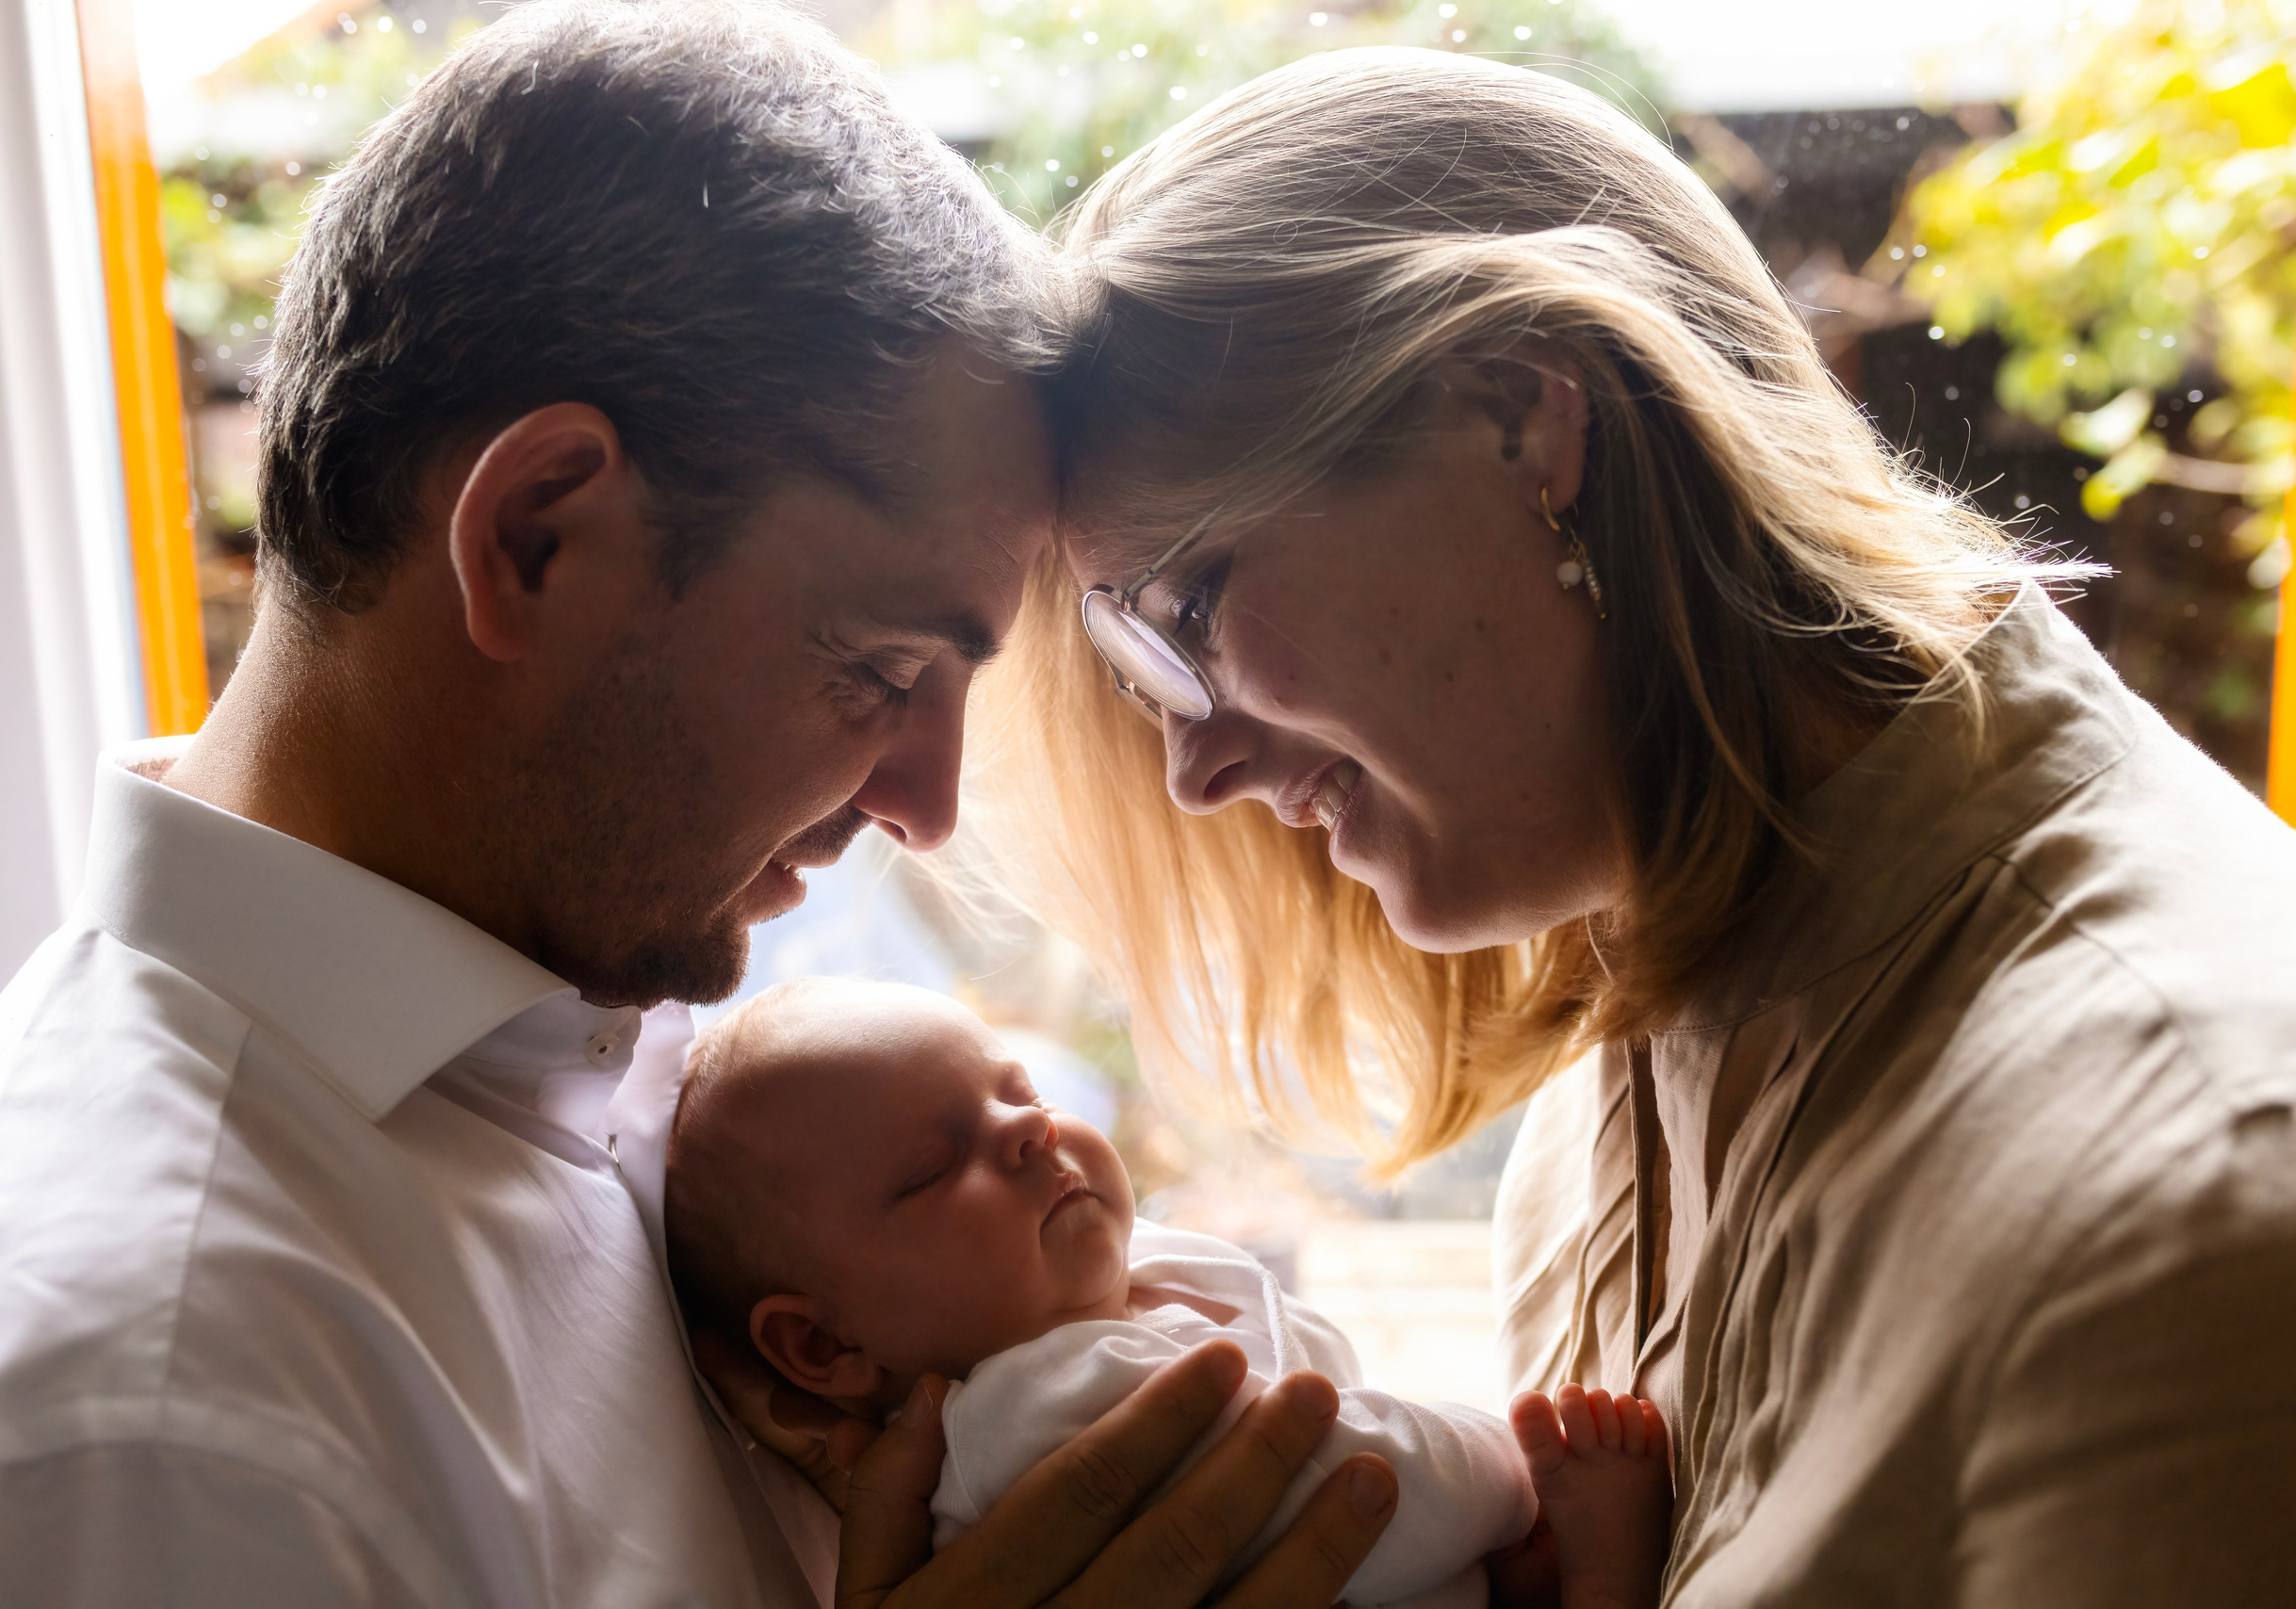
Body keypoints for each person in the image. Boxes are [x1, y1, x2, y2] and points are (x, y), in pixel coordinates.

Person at [0, 6, 1400, 1604]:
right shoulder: (152, 1433)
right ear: (537, 536)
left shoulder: (605, 1031)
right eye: (880, 667)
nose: (928, 801)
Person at [973, 45, 2296, 1608]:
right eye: (1138, 662)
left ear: (1527, 426)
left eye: (1189, 606)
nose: (1190, 770)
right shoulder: (1610, 1105)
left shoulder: (2193, 1205)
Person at [662, 978, 1677, 1609]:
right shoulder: (1030, 1410)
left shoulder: (1111, 1292)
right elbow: (1363, 1484)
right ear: (823, 1348)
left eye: (1018, 1091)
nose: (1025, 1130)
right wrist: (1505, 1473)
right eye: (931, 1169)